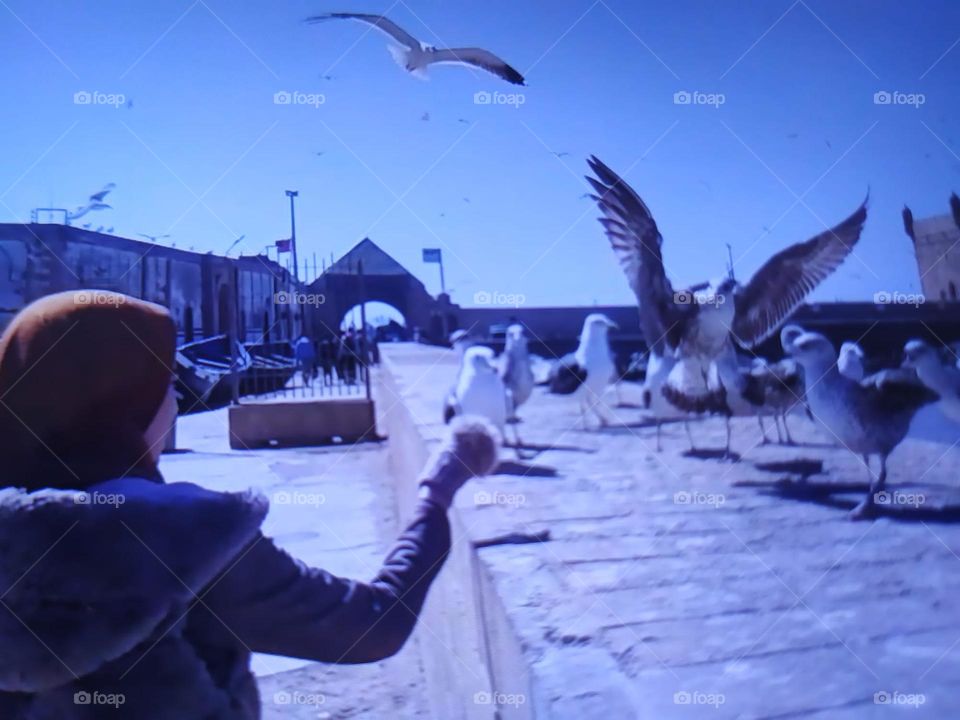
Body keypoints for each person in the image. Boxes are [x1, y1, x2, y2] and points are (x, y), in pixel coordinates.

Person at [0, 290, 499, 719]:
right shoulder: (179, 540)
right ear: (122, 407)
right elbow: (370, 625)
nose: (175, 403)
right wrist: (437, 492)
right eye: (165, 387)